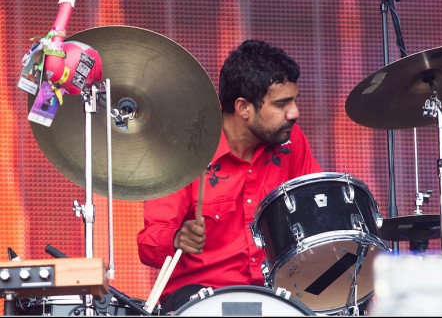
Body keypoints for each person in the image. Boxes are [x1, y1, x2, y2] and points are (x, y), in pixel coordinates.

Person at [137, 39, 322, 314]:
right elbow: (148, 243)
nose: (294, 113)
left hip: (277, 293)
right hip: (198, 298)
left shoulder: (291, 142)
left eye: (294, 101)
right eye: (282, 104)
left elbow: (318, 210)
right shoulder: (186, 151)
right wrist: (176, 238)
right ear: (243, 107)